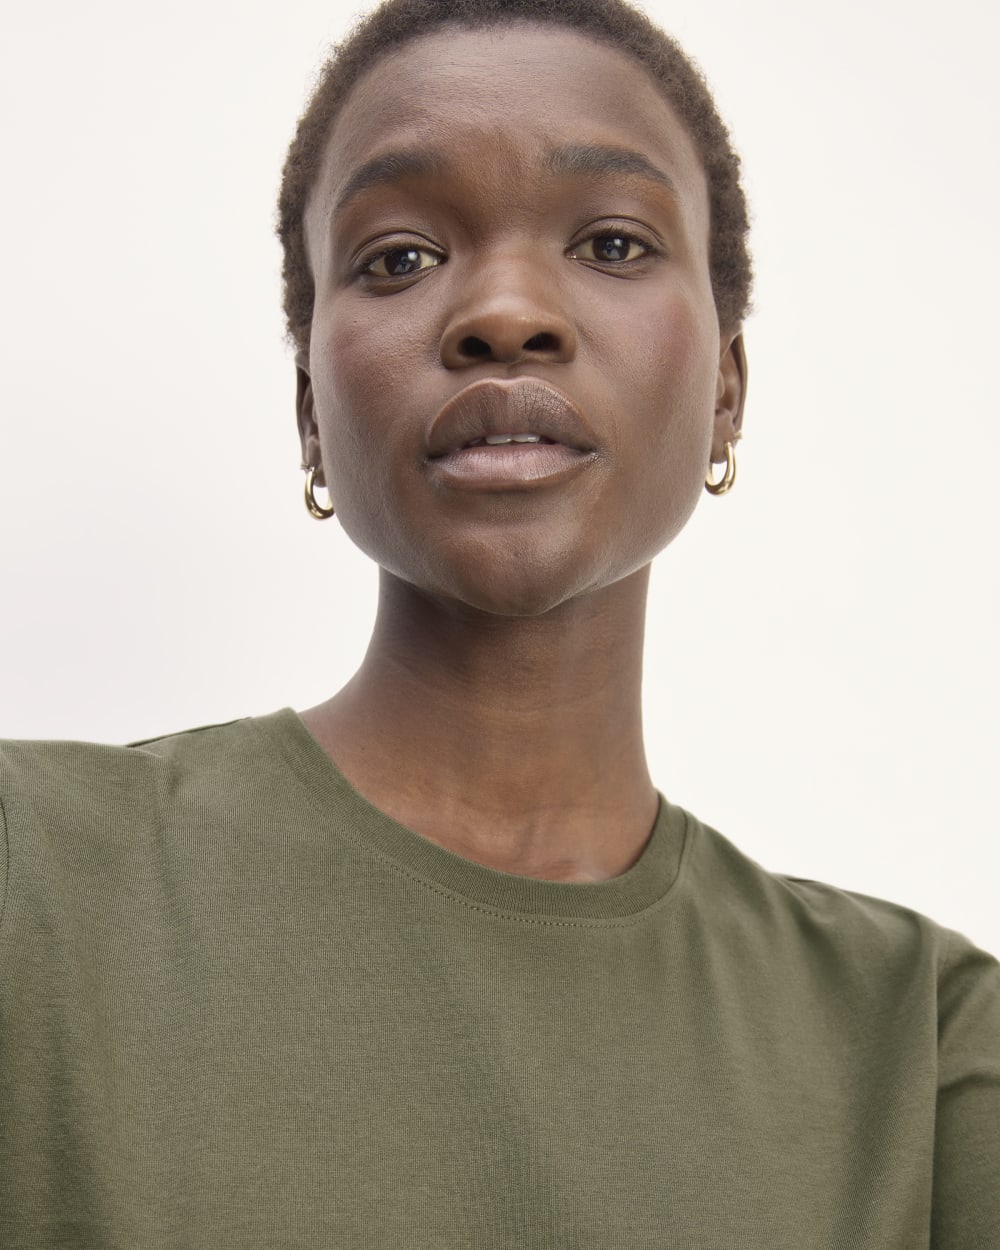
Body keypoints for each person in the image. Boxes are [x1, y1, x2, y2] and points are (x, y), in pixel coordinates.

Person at [1, 0, 997, 1245]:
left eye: (614, 243)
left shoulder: (921, 1043)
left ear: (726, 392)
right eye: (399, 257)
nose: (506, 312)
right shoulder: (31, 880)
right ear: (311, 412)